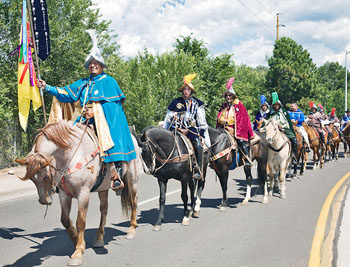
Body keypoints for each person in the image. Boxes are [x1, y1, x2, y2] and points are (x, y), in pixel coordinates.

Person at [37, 33, 136, 194]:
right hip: (84, 120)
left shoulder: (110, 82)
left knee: (105, 139)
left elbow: (114, 107)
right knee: (65, 140)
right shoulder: (84, 83)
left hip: (104, 122)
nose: (92, 65)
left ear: (102, 65)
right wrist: (47, 87)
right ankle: (60, 176)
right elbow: (66, 93)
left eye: (96, 63)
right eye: (90, 63)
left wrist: (97, 112)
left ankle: (114, 174)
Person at [163, 74, 210, 180]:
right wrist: (173, 117)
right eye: (184, 89)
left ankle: (197, 169)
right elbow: (167, 118)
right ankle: (163, 164)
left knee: (198, 145)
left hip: (191, 129)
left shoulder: (198, 104)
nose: (186, 91)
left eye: (188, 89)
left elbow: (202, 121)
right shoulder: (176, 102)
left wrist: (201, 135)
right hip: (176, 128)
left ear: (191, 91)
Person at [216, 77, 254, 167]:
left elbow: (243, 119)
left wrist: (230, 121)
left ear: (233, 96)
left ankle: (247, 158)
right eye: (226, 95)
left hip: (235, 129)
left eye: (230, 95)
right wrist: (222, 120)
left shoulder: (239, 105)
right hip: (223, 128)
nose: (228, 97)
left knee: (240, 141)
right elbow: (219, 117)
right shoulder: (223, 106)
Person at [265, 92, 298, 164]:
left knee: (294, 140)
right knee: (263, 141)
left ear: (279, 105)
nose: (276, 106)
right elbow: (267, 122)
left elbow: (288, 122)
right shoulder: (270, 113)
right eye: (275, 105)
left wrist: (282, 126)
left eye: (277, 105)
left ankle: (293, 156)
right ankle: (264, 156)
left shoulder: (284, 112)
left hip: (284, 129)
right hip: (272, 130)